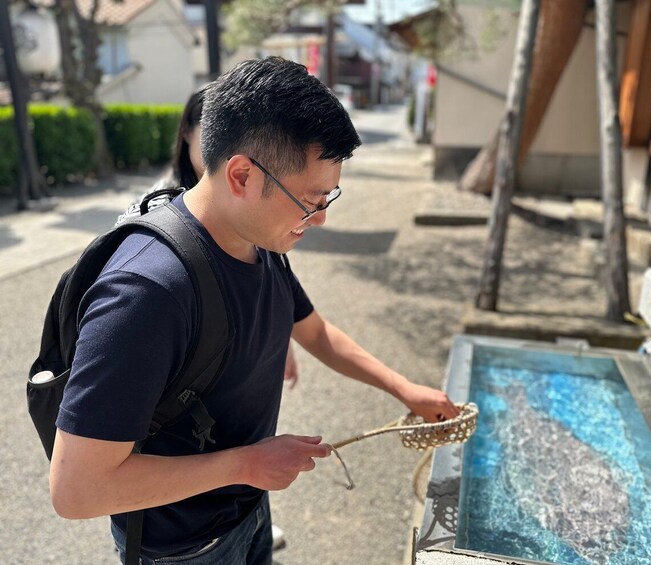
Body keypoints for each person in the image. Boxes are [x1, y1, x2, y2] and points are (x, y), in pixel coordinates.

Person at [49, 57, 458, 564]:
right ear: (241, 175)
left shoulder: (259, 240)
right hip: (182, 548)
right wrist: (245, 465)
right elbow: (77, 490)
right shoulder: (146, 292)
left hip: (247, 510)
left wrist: (403, 389)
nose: (321, 219)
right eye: (311, 200)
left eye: (329, 197)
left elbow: (315, 332)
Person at [117, 84, 300, 387]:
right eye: (212, 129)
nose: (226, 144)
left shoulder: (245, 203)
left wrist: (279, 337)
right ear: (187, 132)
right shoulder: (158, 207)